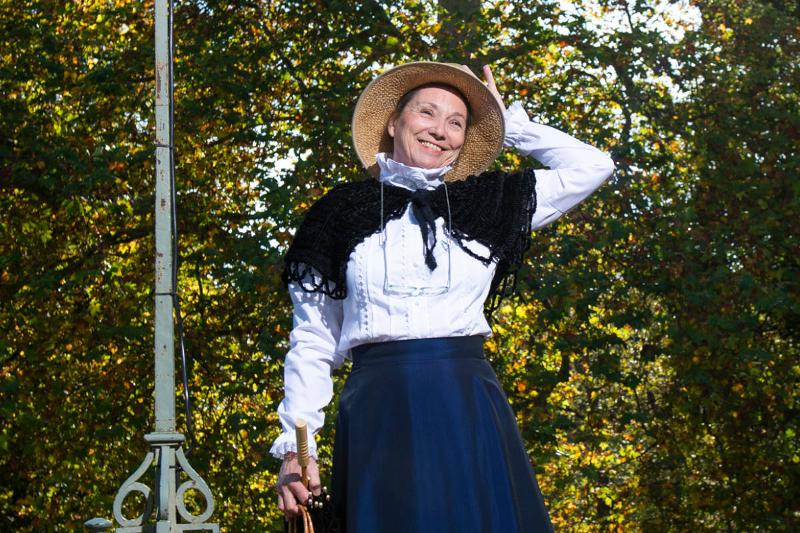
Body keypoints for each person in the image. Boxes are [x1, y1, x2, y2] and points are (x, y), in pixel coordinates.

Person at [271, 61, 615, 532]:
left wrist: (509, 125)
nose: (440, 130)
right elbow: (313, 339)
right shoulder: (337, 215)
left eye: (457, 122)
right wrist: (297, 448)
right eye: (427, 113)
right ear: (393, 122)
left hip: (466, 404)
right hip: (378, 411)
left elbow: (594, 166)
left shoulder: (493, 204)